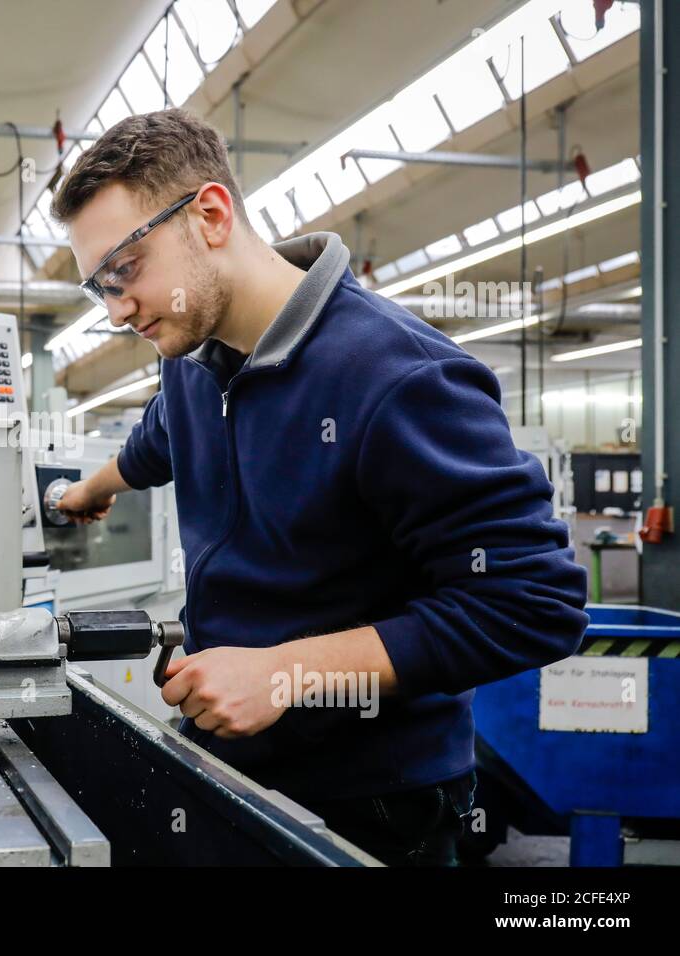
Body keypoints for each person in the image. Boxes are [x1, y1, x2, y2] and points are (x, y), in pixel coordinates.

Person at [49, 109, 588, 866]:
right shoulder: (192, 355)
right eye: (96, 287)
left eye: (125, 272)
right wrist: (87, 491)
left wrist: (286, 672)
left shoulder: (398, 378)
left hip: (371, 803)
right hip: (232, 765)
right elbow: (159, 440)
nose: (116, 309)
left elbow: (533, 603)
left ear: (209, 214)